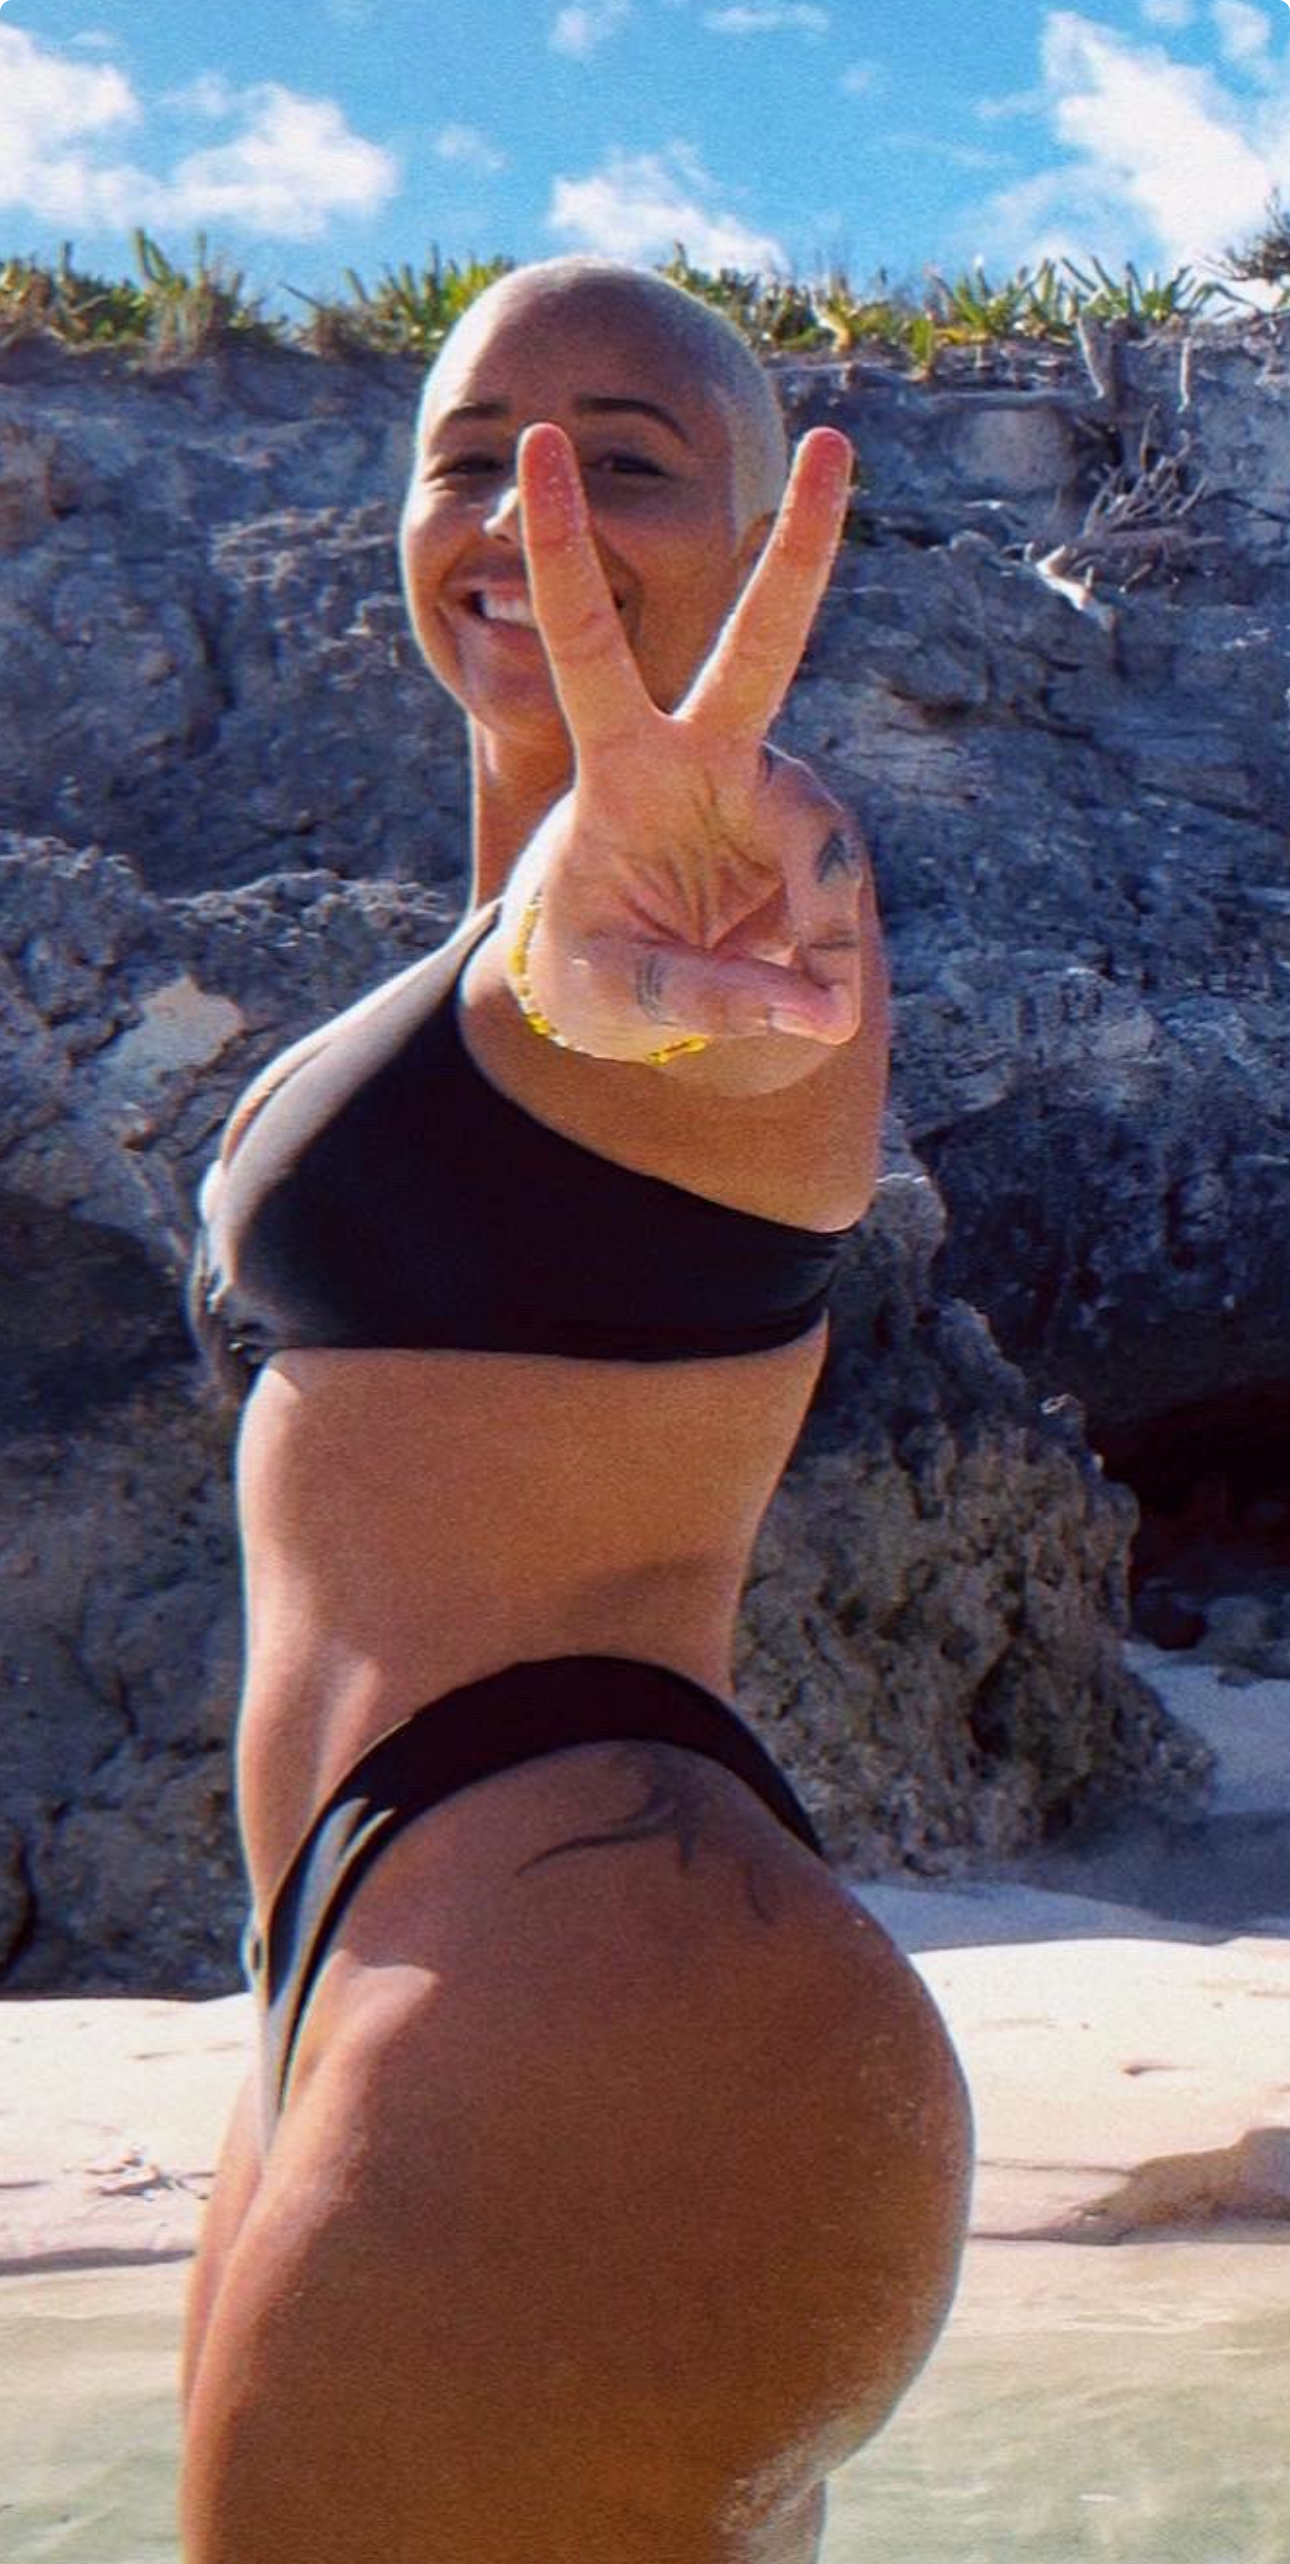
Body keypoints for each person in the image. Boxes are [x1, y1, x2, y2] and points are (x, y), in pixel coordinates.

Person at [180, 256, 971, 2564]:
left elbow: (718, 1013)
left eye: (624, 459)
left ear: (754, 533)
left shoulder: (727, 899)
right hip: (414, 1968)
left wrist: (682, 927)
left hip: (582, 1993)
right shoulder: (497, 948)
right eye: (471, 459)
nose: (528, 506)